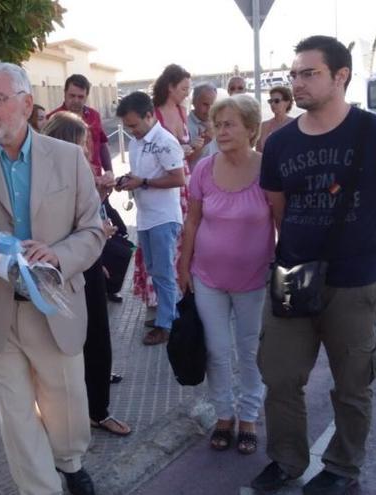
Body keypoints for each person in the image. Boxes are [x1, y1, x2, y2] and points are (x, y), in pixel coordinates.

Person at [250, 35, 376, 495]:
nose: (297, 83)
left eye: (309, 73)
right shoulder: (280, 143)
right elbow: (279, 210)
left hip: (355, 284)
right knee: (280, 377)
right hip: (292, 279)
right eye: (294, 74)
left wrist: (357, 244)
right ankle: (286, 460)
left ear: (340, 76)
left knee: (352, 383)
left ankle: (343, 467)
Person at [0, 62, 104, 495]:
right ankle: (41, 488)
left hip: (53, 304)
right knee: (17, 412)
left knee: (65, 405)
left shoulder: (66, 158)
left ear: (26, 104)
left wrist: (57, 255)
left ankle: (70, 460)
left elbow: (93, 230)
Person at [177, 95, 273, 455]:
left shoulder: (267, 168)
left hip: (253, 280)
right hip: (207, 278)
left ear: (251, 129)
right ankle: (223, 414)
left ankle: (248, 416)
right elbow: (192, 220)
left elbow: (280, 221)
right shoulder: (203, 168)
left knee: (249, 351)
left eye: (230, 124)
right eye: (219, 124)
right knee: (217, 351)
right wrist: (184, 267)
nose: (222, 131)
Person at [41, 111, 131, 438]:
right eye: (81, 144)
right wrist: (98, 233)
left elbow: (89, 219)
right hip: (60, 271)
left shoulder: (80, 173)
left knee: (96, 339)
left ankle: (98, 411)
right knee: (69, 344)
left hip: (87, 266)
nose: (85, 150)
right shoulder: (45, 180)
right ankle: (72, 417)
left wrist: (101, 212)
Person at [48, 74, 128, 298]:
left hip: (96, 184)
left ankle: (104, 281)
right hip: (73, 189)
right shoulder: (56, 119)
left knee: (109, 230)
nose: (75, 100)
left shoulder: (93, 115)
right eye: (72, 95)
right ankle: (94, 277)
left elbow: (102, 143)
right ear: (64, 94)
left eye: (80, 96)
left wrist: (108, 170)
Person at [116, 91, 185, 346]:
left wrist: (143, 182)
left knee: (164, 272)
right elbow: (140, 173)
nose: (131, 131)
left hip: (163, 218)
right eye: (127, 126)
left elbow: (179, 179)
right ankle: (168, 314)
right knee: (155, 270)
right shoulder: (137, 141)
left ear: (149, 115)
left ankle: (167, 323)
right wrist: (126, 180)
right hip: (146, 217)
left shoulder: (165, 141)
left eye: (134, 125)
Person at [131, 64, 192, 319]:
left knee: (180, 241)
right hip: (160, 189)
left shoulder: (181, 110)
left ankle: (176, 298)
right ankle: (159, 304)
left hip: (182, 181)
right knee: (158, 252)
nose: (186, 94)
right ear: (170, 87)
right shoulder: (152, 115)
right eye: (183, 89)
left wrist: (191, 149)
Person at [186, 82, 218, 169]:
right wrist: (205, 141)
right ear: (194, 102)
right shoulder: (184, 125)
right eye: (205, 104)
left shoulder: (220, 124)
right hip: (196, 179)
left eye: (213, 105)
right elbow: (183, 161)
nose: (209, 110)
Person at [257, 85, 295, 152]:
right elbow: (259, 153)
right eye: (271, 101)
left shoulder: (295, 125)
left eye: (276, 101)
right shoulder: (263, 126)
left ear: (287, 103)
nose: (273, 104)